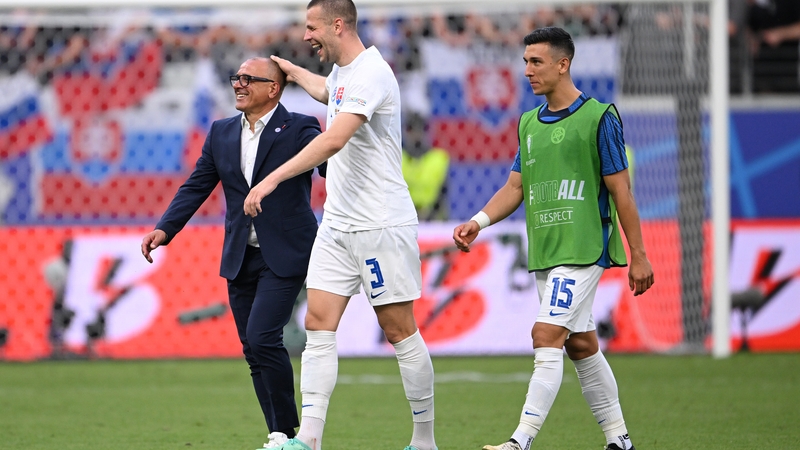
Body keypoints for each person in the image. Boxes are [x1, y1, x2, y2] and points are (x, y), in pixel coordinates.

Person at [243, 1, 437, 450]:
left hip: (379, 223)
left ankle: (424, 440)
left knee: (398, 329)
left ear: (337, 24)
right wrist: (291, 71)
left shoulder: (372, 72)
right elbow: (329, 92)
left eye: (311, 27)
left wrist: (272, 178)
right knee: (317, 323)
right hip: (337, 224)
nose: (306, 34)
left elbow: (334, 137)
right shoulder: (345, 75)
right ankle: (308, 440)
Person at [453, 27, 654, 450]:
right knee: (580, 344)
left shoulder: (599, 118)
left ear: (563, 64)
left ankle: (519, 441)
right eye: (525, 61)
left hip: (583, 250)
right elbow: (514, 187)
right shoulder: (528, 123)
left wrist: (638, 254)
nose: (527, 71)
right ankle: (619, 440)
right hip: (546, 251)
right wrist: (479, 220)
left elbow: (622, 191)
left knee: (546, 335)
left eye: (536, 62)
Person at [140, 57, 324, 450]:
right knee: (251, 348)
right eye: (235, 78)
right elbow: (197, 184)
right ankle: (278, 433)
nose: (238, 84)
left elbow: (330, 162)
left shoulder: (301, 127)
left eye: (248, 79)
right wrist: (164, 228)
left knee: (262, 337)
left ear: (273, 88)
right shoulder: (221, 132)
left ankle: (292, 435)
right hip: (241, 254)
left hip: (287, 253)